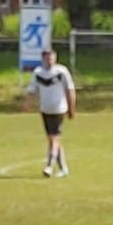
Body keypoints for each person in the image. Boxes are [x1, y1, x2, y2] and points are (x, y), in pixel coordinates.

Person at [23, 47, 78, 176]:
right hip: (45, 109)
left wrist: (71, 108)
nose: (50, 60)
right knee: (53, 139)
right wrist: (27, 104)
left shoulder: (62, 71)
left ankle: (49, 165)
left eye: (52, 57)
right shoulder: (38, 73)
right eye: (47, 58)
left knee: (54, 137)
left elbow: (70, 90)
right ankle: (63, 168)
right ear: (42, 59)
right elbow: (32, 90)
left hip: (59, 109)